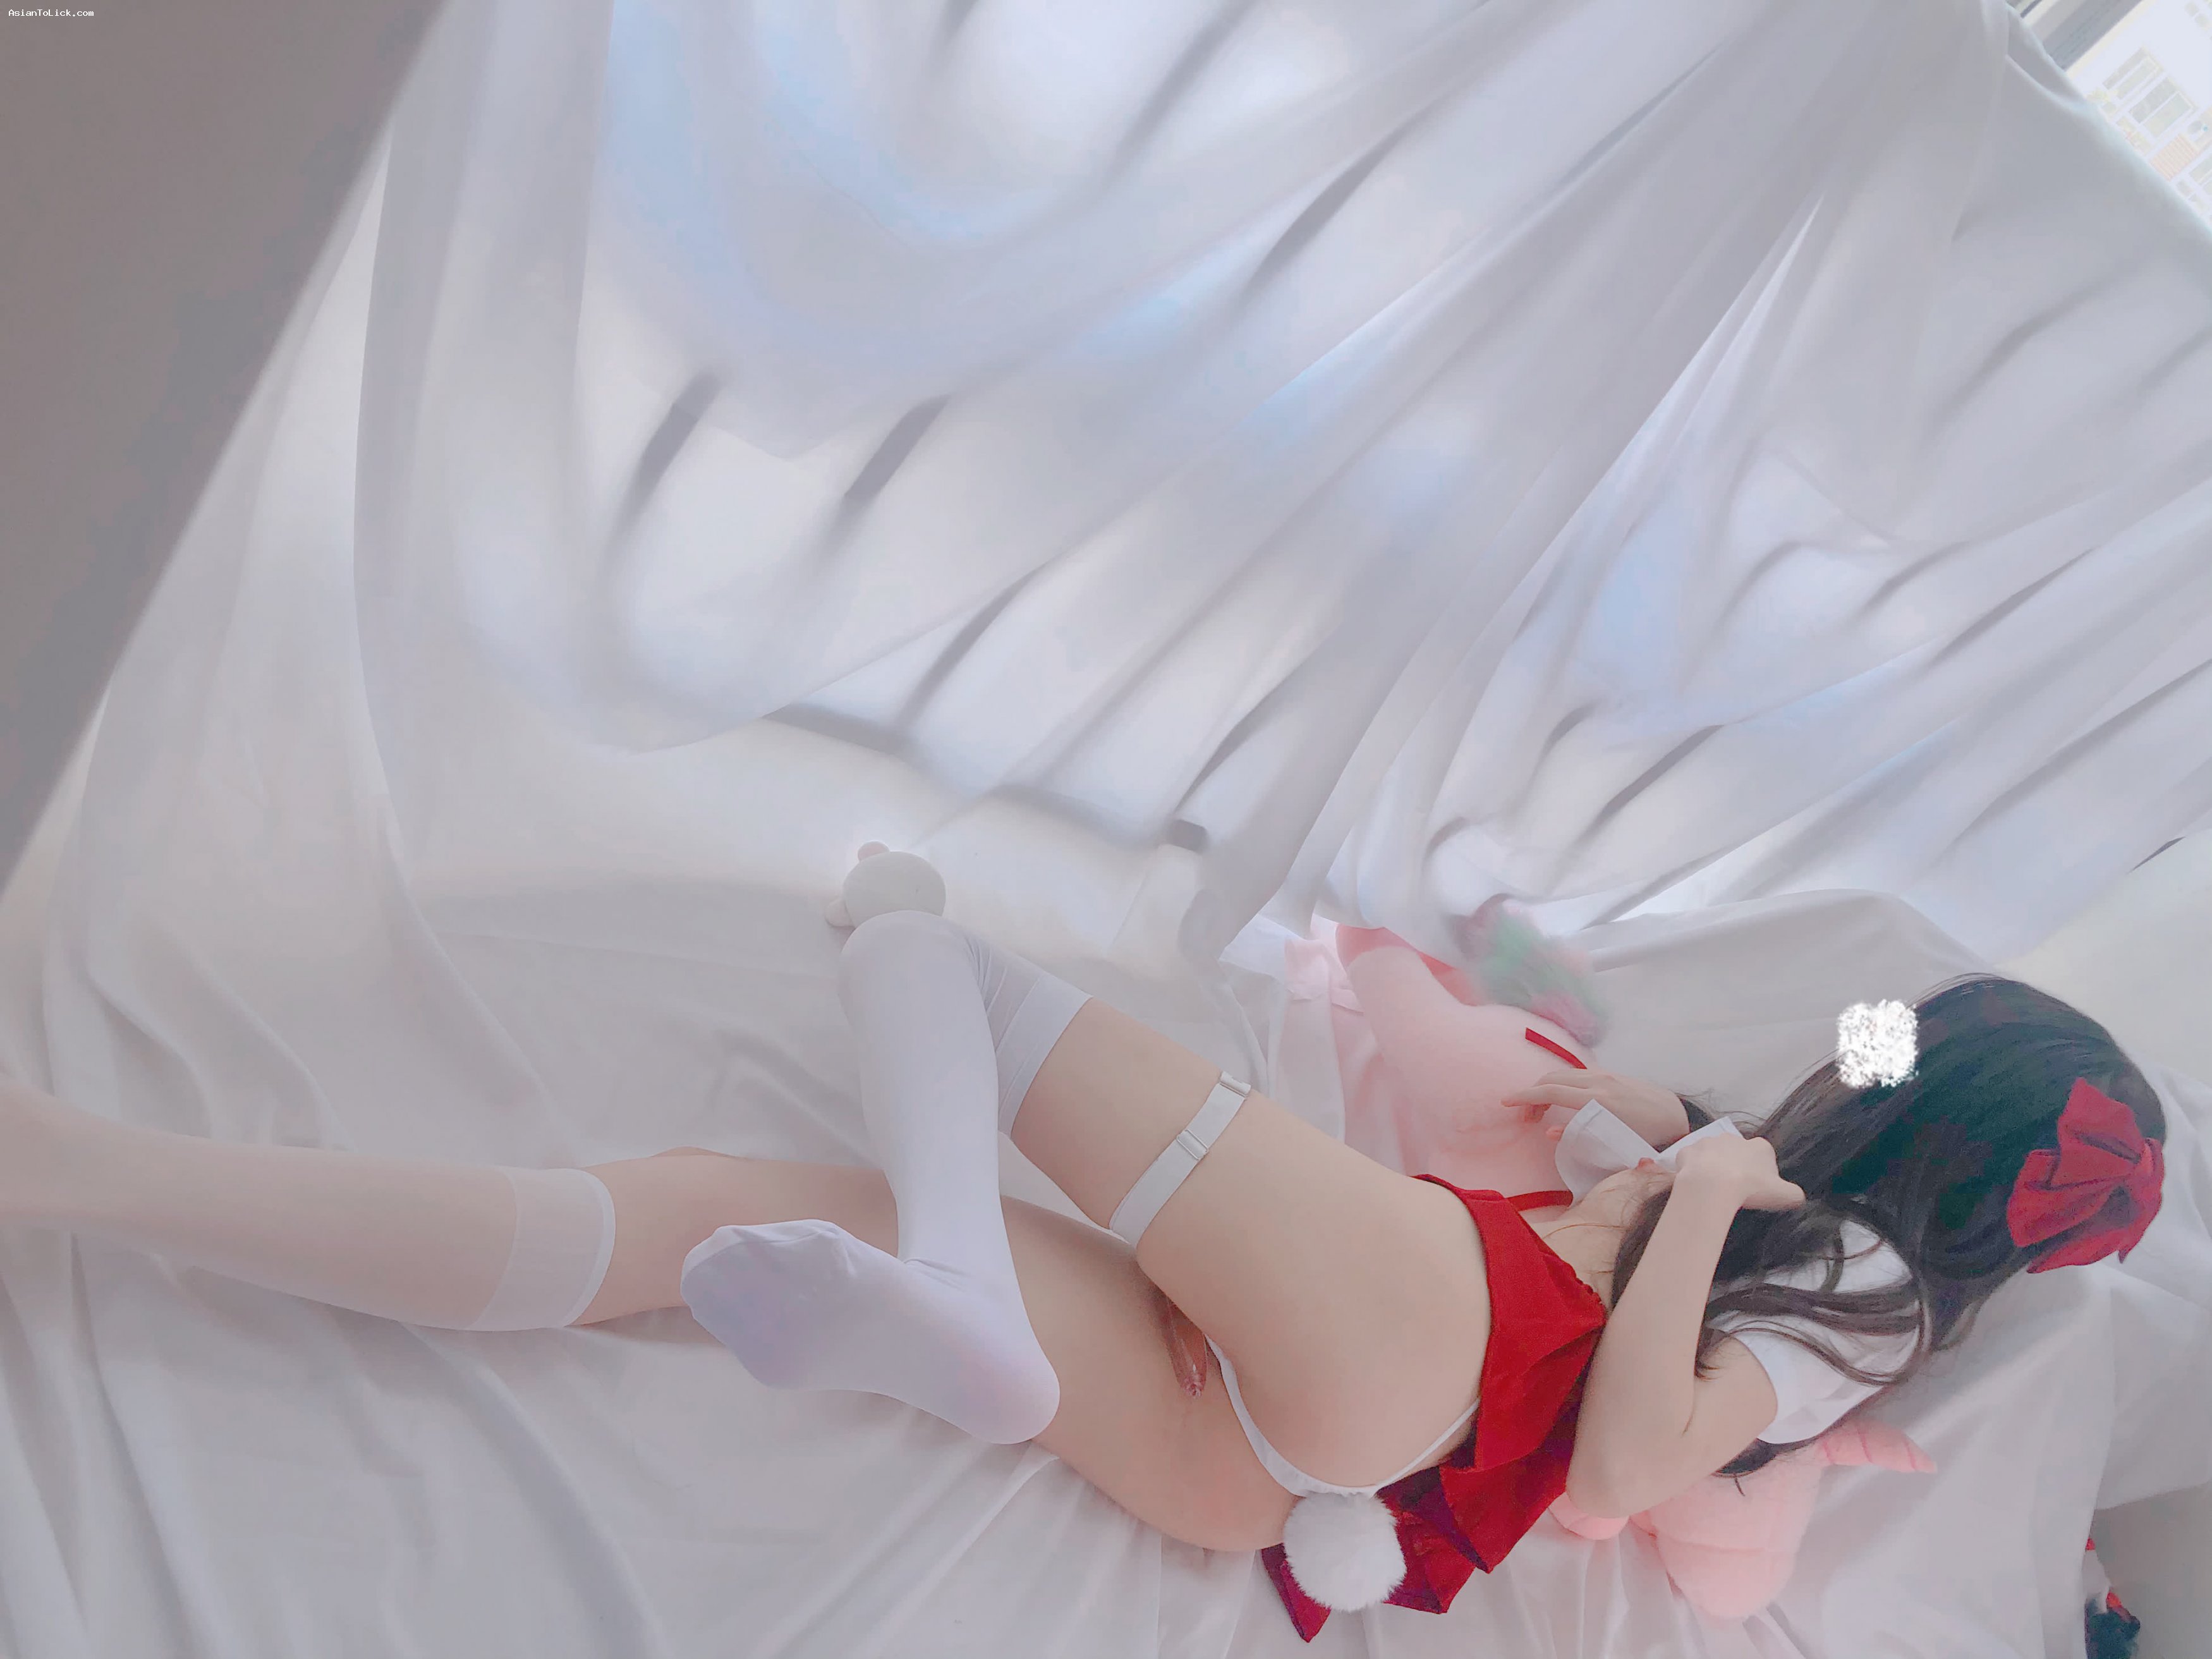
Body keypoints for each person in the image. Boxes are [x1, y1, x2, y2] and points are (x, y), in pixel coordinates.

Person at [0, 896, 2166, 1633]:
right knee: (697, 1208)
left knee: (925, 951)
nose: (1873, 1043)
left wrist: (1696, 1199)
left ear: (1948, 1121)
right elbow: (1722, 1089)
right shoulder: (1820, 1213)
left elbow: (1622, 1469)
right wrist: (1644, 1120)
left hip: (1425, 1333)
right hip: (1272, 1450)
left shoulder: (1853, 1301)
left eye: (1918, 1045)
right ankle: (85, 1173)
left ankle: (953, 1268)